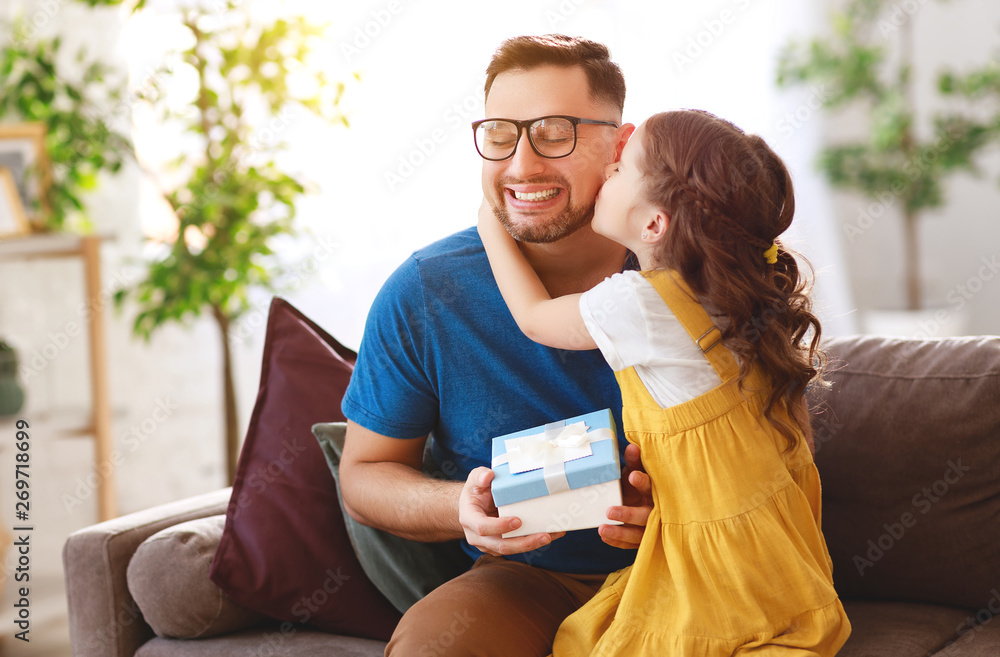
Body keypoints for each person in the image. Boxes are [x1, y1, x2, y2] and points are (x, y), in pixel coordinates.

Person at [477, 109, 852, 655]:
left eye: (622, 167)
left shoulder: (634, 302)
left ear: (654, 224)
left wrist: (492, 223)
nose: (608, 168)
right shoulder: (735, 299)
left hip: (717, 567)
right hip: (777, 555)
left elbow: (535, 318)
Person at [339, 35, 654, 656]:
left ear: (620, 146)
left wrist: (681, 509)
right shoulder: (428, 292)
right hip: (523, 580)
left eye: (555, 133)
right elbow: (365, 474)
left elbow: (781, 447)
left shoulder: (694, 274)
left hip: (691, 558)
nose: (522, 166)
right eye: (501, 135)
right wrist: (465, 505)